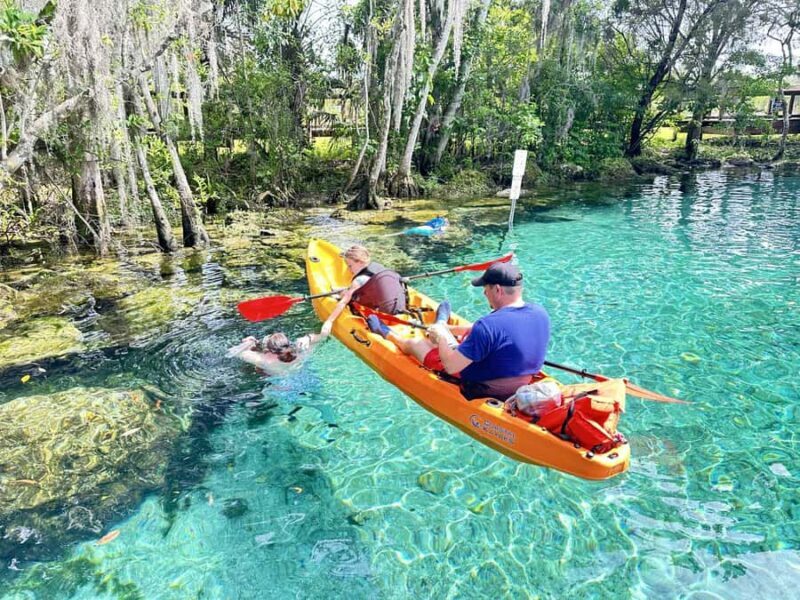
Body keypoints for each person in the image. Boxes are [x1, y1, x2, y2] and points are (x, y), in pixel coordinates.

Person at [370, 262, 549, 401]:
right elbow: (499, 331)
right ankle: (442, 324)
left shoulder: (488, 326)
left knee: (416, 343)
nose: (484, 294)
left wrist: (441, 338)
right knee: (464, 334)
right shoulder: (540, 313)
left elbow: (451, 366)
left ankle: (386, 333)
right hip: (522, 379)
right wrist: (448, 330)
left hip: (484, 386)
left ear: (497, 290)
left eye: (485, 288)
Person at [320, 244, 406, 337]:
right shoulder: (379, 268)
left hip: (381, 312)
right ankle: (344, 291)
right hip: (397, 307)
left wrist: (329, 321)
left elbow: (344, 302)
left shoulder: (359, 280)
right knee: (351, 291)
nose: (349, 269)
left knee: (348, 296)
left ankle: (341, 293)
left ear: (359, 262)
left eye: (350, 266)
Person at [227, 329, 327, 376]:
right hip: (308, 379)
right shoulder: (303, 352)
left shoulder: (263, 360)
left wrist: (249, 342)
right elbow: (323, 336)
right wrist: (308, 338)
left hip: (281, 389)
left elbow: (234, 352)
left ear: (271, 351)